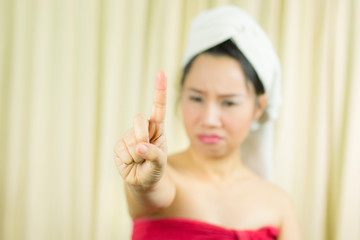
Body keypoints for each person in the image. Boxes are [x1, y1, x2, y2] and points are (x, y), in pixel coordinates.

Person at [114, 5, 301, 240]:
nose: (210, 119)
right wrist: (145, 184)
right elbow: (149, 193)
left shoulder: (278, 205)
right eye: (196, 98)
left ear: (258, 107)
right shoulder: (161, 176)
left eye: (229, 103)